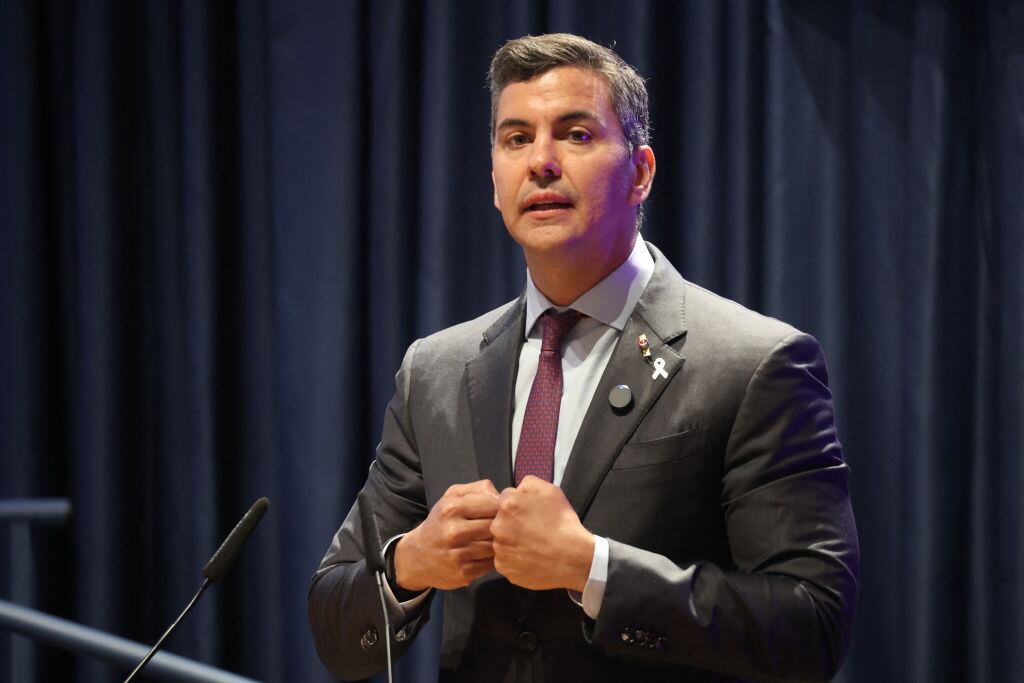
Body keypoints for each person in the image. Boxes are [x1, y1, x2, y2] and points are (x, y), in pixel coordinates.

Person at [308, 33, 858, 682]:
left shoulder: (754, 362)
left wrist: (592, 567)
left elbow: (812, 626)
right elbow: (335, 626)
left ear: (642, 172)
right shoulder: (436, 371)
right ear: (494, 180)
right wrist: (408, 565)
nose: (540, 161)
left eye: (574, 134)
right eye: (516, 138)